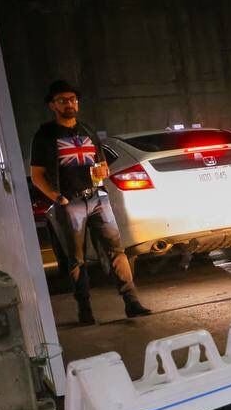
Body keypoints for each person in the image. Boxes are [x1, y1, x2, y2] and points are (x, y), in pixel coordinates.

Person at [30, 80, 151, 324]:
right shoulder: (45, 135)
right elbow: (37, 175)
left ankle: (132, 302)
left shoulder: (87, 129)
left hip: (97, 197)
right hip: (70, 202)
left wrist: (103, 171)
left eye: (73, 99)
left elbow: (102, 163)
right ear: (52, 105)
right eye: (63, 100)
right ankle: (85, 310)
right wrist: (58, 198)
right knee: (76, 259)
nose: (69, 104)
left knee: (117, 251)